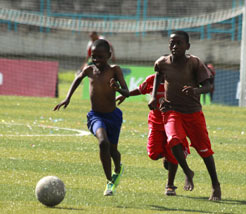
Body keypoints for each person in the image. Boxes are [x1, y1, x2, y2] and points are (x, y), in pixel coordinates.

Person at [148, 31, 221, 201]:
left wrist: (195, 90)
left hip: (193, 112)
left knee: (204, 151)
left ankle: (215, 185)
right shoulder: (161, 63)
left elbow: (208, 86)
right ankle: (188, 171)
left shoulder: (194, 63)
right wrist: (153, 97)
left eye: (179, 43)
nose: (175, 46)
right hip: (172, 110)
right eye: (172, 43)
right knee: (173, 140)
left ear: (187, 46)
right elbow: (158, 76)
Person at [54, 39, 129, 196]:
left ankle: (118, 167)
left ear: (109, 55)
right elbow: (77, 79)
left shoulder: (115, 70)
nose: (96, 60)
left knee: (113, 150)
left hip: (113, 116)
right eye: (94, 57)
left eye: (100, 57)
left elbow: (127, 92)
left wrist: (118, 88)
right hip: (96, 116)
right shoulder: (89, 70)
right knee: (103, 143)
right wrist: (67, 98)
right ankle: (109, 181)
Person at [116, 74, 192, 196]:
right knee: (153, 154)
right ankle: (167, 155)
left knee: (172, 154)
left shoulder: (177, 80)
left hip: (172, 122)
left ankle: (170, 186)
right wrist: (126, 94)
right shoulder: (152, 80)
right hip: (155, 122)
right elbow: (141, 89)